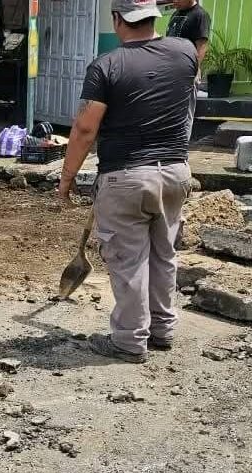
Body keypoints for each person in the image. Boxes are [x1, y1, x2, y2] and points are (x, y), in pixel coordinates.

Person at [55, 0, 197, 364]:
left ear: (118, 19)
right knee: (164, 252)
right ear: (153, 17)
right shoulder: (185, 53)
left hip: (127, 178)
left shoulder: (106, 66)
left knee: (128, 259)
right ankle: (162, 330)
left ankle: (129, 341)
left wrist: (67, 178)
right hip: (176, 174)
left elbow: (86, 128)